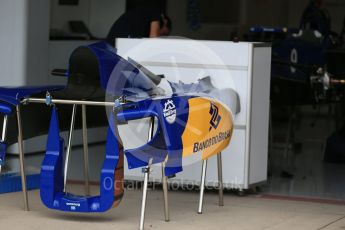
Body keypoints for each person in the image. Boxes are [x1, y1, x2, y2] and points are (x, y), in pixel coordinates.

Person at [106, 6, 172, 46]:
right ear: (165, 21)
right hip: (117, 46)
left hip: (112, 44)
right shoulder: (156, 12)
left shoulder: (143, 20)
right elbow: (153, 40)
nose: (160, 36)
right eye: (163, 33)